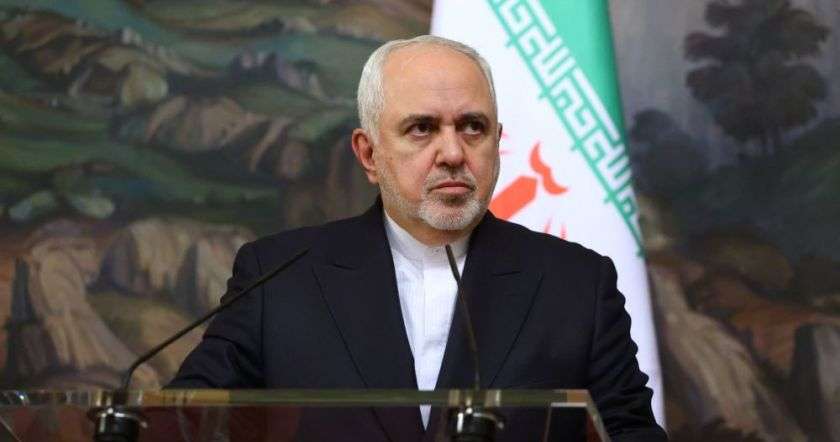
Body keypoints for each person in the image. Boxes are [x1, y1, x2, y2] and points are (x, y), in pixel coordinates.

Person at [170, 35, 667, 442]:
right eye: (422, 128)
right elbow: (181, 423)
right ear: (368, 154)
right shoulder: (278, 277)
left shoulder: (576, 283)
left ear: (497, 142)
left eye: (472, 127)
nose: (452, 153)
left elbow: (630, 433)